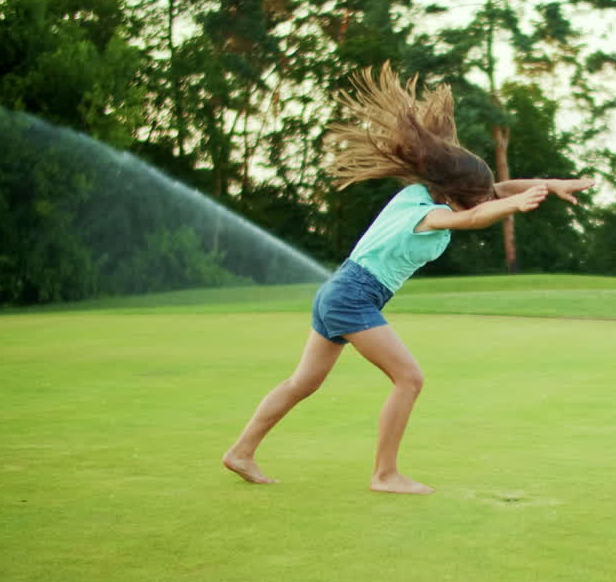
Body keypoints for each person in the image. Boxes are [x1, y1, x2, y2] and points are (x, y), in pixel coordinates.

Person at [222, 63, 594, 494]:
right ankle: (385, 475)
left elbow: (494, 193)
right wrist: (512, 206)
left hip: (338, 291)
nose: (486, 201)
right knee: (409, 378)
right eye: (476, 199)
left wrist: (547, 184)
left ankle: (241, 452)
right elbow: (473, 217)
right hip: (354, 295)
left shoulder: (420, 194)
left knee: (303, 382)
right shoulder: (427, 215)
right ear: (451, 194)